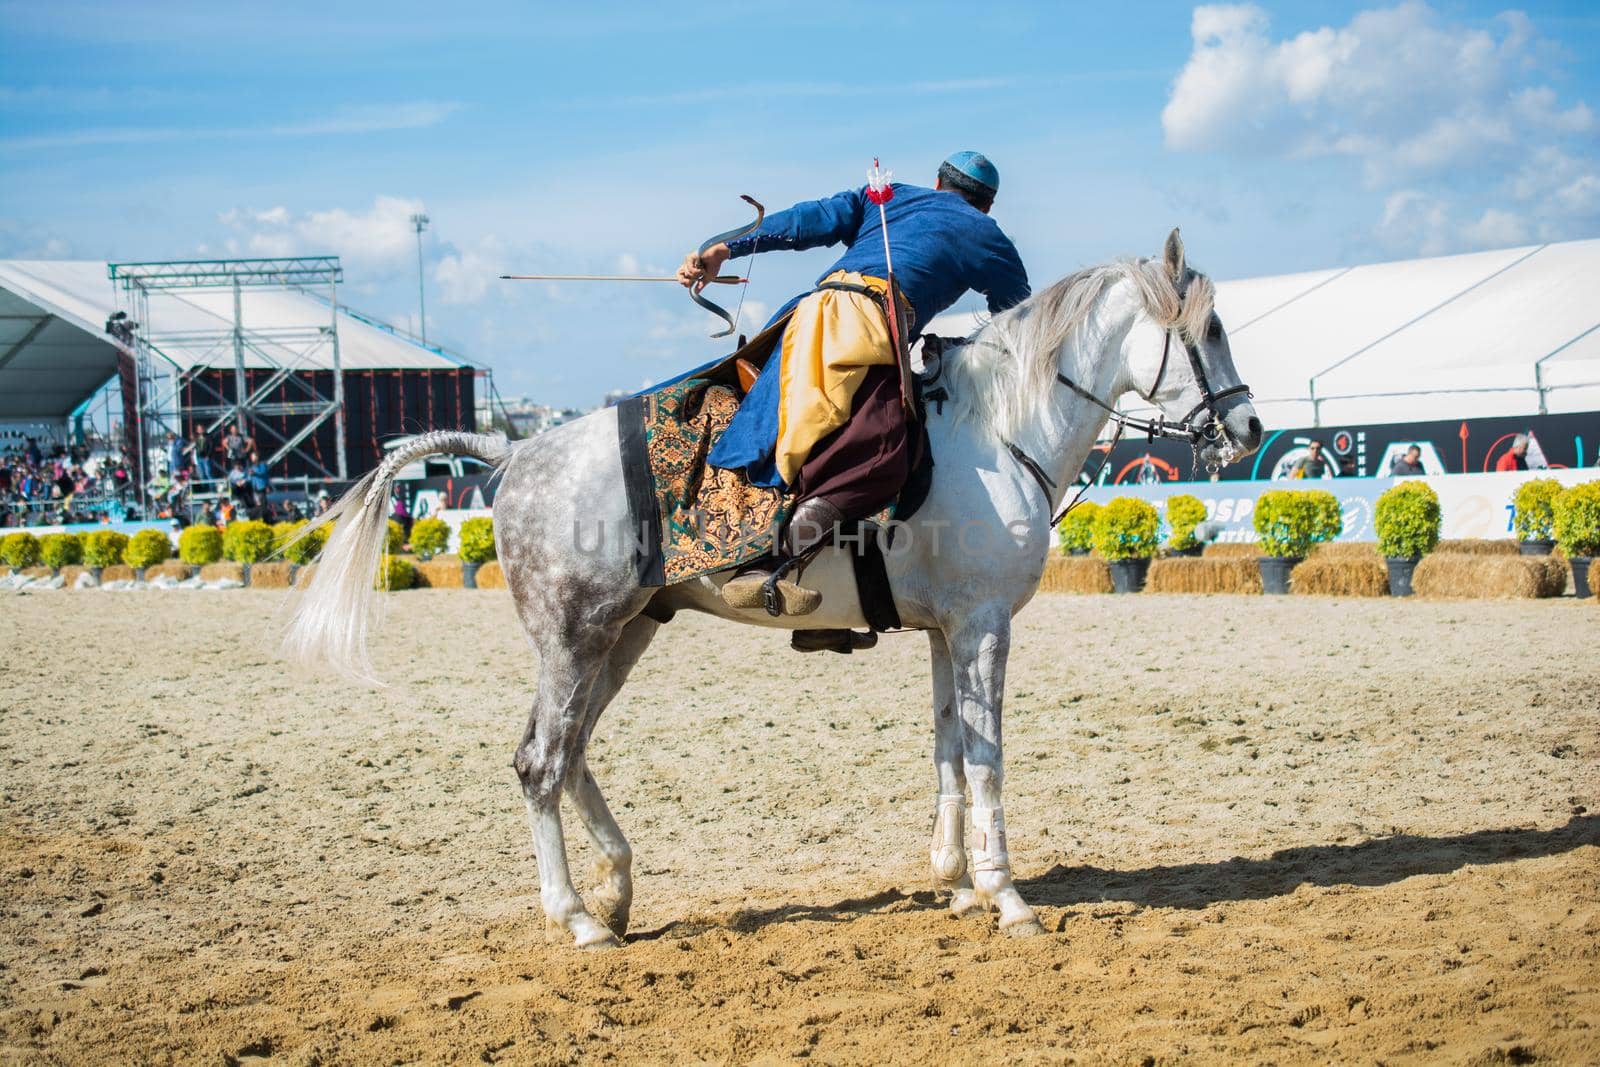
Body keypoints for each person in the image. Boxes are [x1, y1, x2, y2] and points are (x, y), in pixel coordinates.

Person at [676, 150, 1030, 614]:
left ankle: (834, 614)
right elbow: (1018, 318)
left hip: (805, 319)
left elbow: (809, 220)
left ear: (938, 184)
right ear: (986, 205)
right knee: (882, 458)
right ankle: (772, 567)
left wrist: (722, 249)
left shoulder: (890, 196)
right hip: (868, 330)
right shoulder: (986, 233)